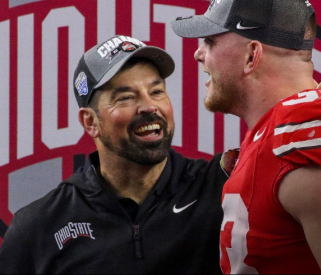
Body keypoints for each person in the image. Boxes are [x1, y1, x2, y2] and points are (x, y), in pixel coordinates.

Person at [171, 0, 321, 274]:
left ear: (251, 56)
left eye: (210, 41)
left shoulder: (310, 134)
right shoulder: (280, 129)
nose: (198, 54)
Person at [0, 35, 228, 274]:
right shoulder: (38, 228)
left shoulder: (220, 189)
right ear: (90, 122)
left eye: (157, 91)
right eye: (126, 97)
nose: (150, 106)